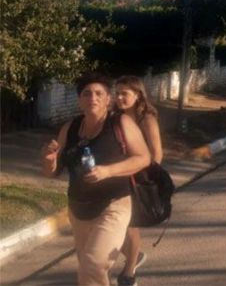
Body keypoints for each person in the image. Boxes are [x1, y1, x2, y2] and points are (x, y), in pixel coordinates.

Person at [41, 73, 150, 286]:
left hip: (113, 204)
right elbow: (52, 172)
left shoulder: (121, 123)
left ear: (108, 99)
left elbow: (143, 157)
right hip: (79, 209)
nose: (93, 98)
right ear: (80, 100)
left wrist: (108, 171)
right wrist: (48, 160)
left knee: (94, 263)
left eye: (99, 93)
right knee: (86, 272)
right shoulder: (70, 128)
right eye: (87, 93)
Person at [113, 76, 163, 286]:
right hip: (116, 176)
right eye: (117, 93)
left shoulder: (146, 120)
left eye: (125, 93)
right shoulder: (115, 118)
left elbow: (157, 153)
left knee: (131, 226)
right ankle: (134, 255)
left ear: (138, 95)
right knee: (116, 225)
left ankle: (129, 273)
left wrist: (146, 178)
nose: (119, 97)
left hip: (137, 179)